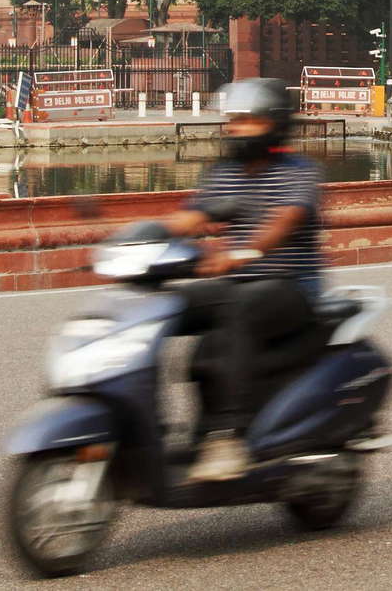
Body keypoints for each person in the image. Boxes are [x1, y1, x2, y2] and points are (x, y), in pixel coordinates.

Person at [163, 79, 325, 482]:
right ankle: (153, 426)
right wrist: (144, 240)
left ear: (273, 124)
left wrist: (242, 252)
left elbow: (284, 222)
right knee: (162, 309)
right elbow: (191, 217)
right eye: (232, 120)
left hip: (290, 287)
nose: (235, 128)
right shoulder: (224, 174)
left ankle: (229, 437)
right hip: (239, 284)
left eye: (247, 120)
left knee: (232, 316)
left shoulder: (299, 172)